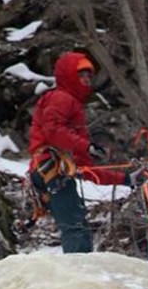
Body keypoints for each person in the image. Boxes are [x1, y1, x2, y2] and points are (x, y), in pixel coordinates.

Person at [28, 51, 141, 253]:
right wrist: (86, 146)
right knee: (75, 228)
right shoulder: (61, 98)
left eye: (89, 76)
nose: (87, 80)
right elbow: (52, 130)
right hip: (51, 170)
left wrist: (125, 179)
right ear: (69, 75)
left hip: (52, 172)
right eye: (82, 75)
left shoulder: (70, 106)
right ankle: (80, 276)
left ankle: (81, 272)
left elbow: (84, 168)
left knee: (77, 226)